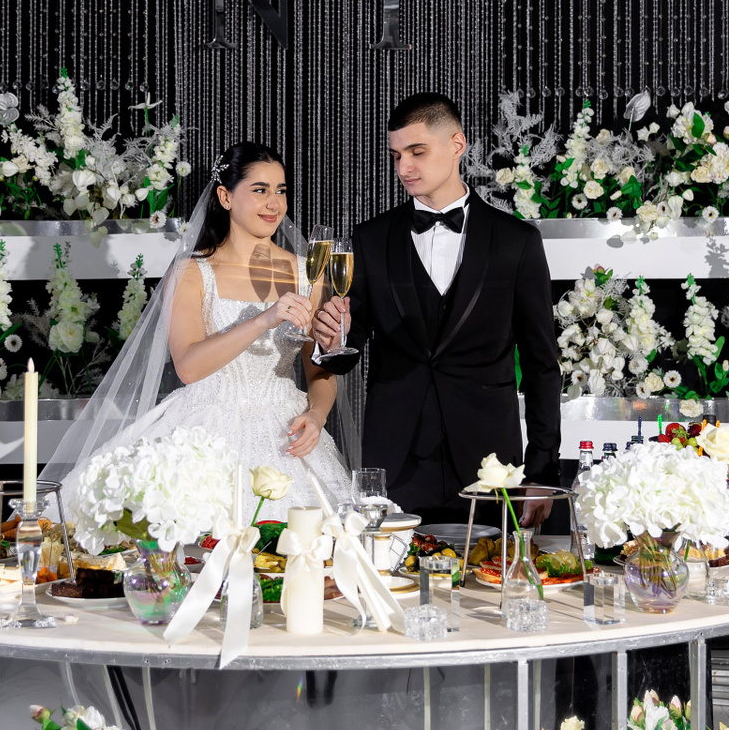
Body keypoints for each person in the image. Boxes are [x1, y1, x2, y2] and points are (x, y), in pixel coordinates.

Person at [45, 140, 355, 519]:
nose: (274, 204)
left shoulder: (307, 273)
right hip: (206, 425)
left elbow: (320, 369)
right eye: (260, 190)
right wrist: (264, 319)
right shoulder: (192, 272)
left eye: (281, 191)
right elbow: (188, 367)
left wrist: (317, 415)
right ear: (225, 197)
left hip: (286, 427)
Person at [313, 93, 562, 527]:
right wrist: (332, 341)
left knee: (488, 568)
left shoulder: (516, 242)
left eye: (417, 152)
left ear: (457, 144)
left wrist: (541, 470)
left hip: (490, 463)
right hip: (396, 457)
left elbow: (542, 365)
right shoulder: (371, 239)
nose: (403, 167)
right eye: (396, 155)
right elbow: (348, 345)